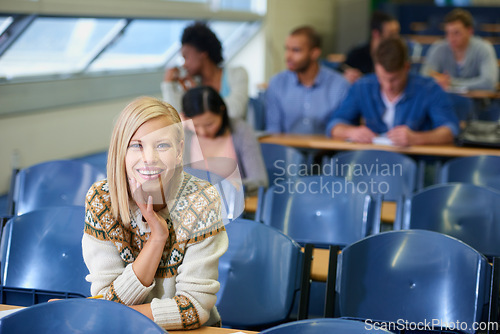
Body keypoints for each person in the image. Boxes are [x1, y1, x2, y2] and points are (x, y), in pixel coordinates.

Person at [82, 96, 228, 330]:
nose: (149, 158)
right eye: (136, 145)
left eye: (162, 145)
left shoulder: (202, 200)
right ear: (121, 151)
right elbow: (104, 297)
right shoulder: (102, 200)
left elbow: (194, 307)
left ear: (179, 151)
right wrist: (156, 239)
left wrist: (110, 311)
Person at [327, 37, 459, 147]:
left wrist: (416, 138)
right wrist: (351, 132)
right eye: (382, 78)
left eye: (394, 79)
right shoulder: (363, 86)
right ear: (376, 68)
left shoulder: (429, 89)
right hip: (372, 160)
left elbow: (450, 130)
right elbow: (334, 125)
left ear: (406, 67)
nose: (388, 86)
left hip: (416, 162)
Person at [182, 86, 268, 195]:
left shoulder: (241, 131)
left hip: (237, 205)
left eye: (209, 124)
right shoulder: (185, 134)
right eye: (195, 125)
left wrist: (229, 187)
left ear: (222, 111)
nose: (203, 132)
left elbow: (260, 181)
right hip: (196, 207)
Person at [265, 25, 350, 135]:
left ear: (314, 53)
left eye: (296, 50)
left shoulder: (340, 85)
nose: (288, 56)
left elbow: (343, 126)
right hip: (285, 151)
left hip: (329, 151)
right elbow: (273, 130)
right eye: (287, 49)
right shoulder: (277, 83)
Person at [161, 22, 249, 119]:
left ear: (203, 53)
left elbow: (236, 111)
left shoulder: (237, 73)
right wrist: (168, 85)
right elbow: (177, 119)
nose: (184, 64)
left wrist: (199, 95)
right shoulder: (192, 84)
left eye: (186, 57)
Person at [421, 8, 498, 91]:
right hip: (446, 102)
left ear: (469, 31)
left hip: (477, 102)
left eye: (456, 33)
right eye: (448, 33)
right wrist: (437, 79)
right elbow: (424, 77)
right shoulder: (438, 48)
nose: (451, 38)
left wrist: (452, 83)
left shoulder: (484, 48)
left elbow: (489, 82)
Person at [342, 11, 401, 83]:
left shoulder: (398, 54)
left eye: (397, 33)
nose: (396, 38)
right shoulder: (357, 54)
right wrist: (347, 76)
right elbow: (342, 70)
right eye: (391, 34)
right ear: (376, 33)